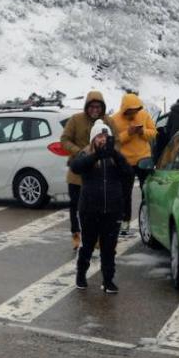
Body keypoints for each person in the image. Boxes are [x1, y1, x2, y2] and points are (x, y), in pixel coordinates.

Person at [69, 121, 131, 293]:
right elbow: (75, 167)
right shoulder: (86, 154)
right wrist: (97, 156)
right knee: (87, 245)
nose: (103, 140)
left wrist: (114, 155)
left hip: (112, 210)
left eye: (105, 137)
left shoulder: (115, 157)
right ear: (93, 139)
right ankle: (81, 275)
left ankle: (108, 280)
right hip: (90, 210)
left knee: (109, 248)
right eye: (99, 136)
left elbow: (128, 173)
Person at [60, 90, 114, 251]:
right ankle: (76, 234)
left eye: (98, 106)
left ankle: (96, 237)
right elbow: (64, 139)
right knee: (75, 206)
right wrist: (79, 151)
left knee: (97, 207)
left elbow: (116, 141)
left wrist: (109, 153)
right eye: (92, 106)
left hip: (99, 172)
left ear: (103, 107)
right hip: (77, 171)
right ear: (87, 106)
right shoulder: (76, 120)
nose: (95, 109)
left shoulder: (108, 121)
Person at [109, 92, 158, 236]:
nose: (133, 114)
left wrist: (142, 131)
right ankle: (124, 223)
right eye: (130, 111)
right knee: (124, 194)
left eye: (136, 110)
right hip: (125, 162)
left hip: (144, 159)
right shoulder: (114, 120)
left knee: (147, 191)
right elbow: (114, 141)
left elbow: (153, 133)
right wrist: (128, 133)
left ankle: (148, 220)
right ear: (124, 109)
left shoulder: (144, 115)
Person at [153, 98, 179, 163]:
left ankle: (174, 164)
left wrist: (168, 134)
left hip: (175, 136)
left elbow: (169, 125)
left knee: (174, 152)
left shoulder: (172, 113)